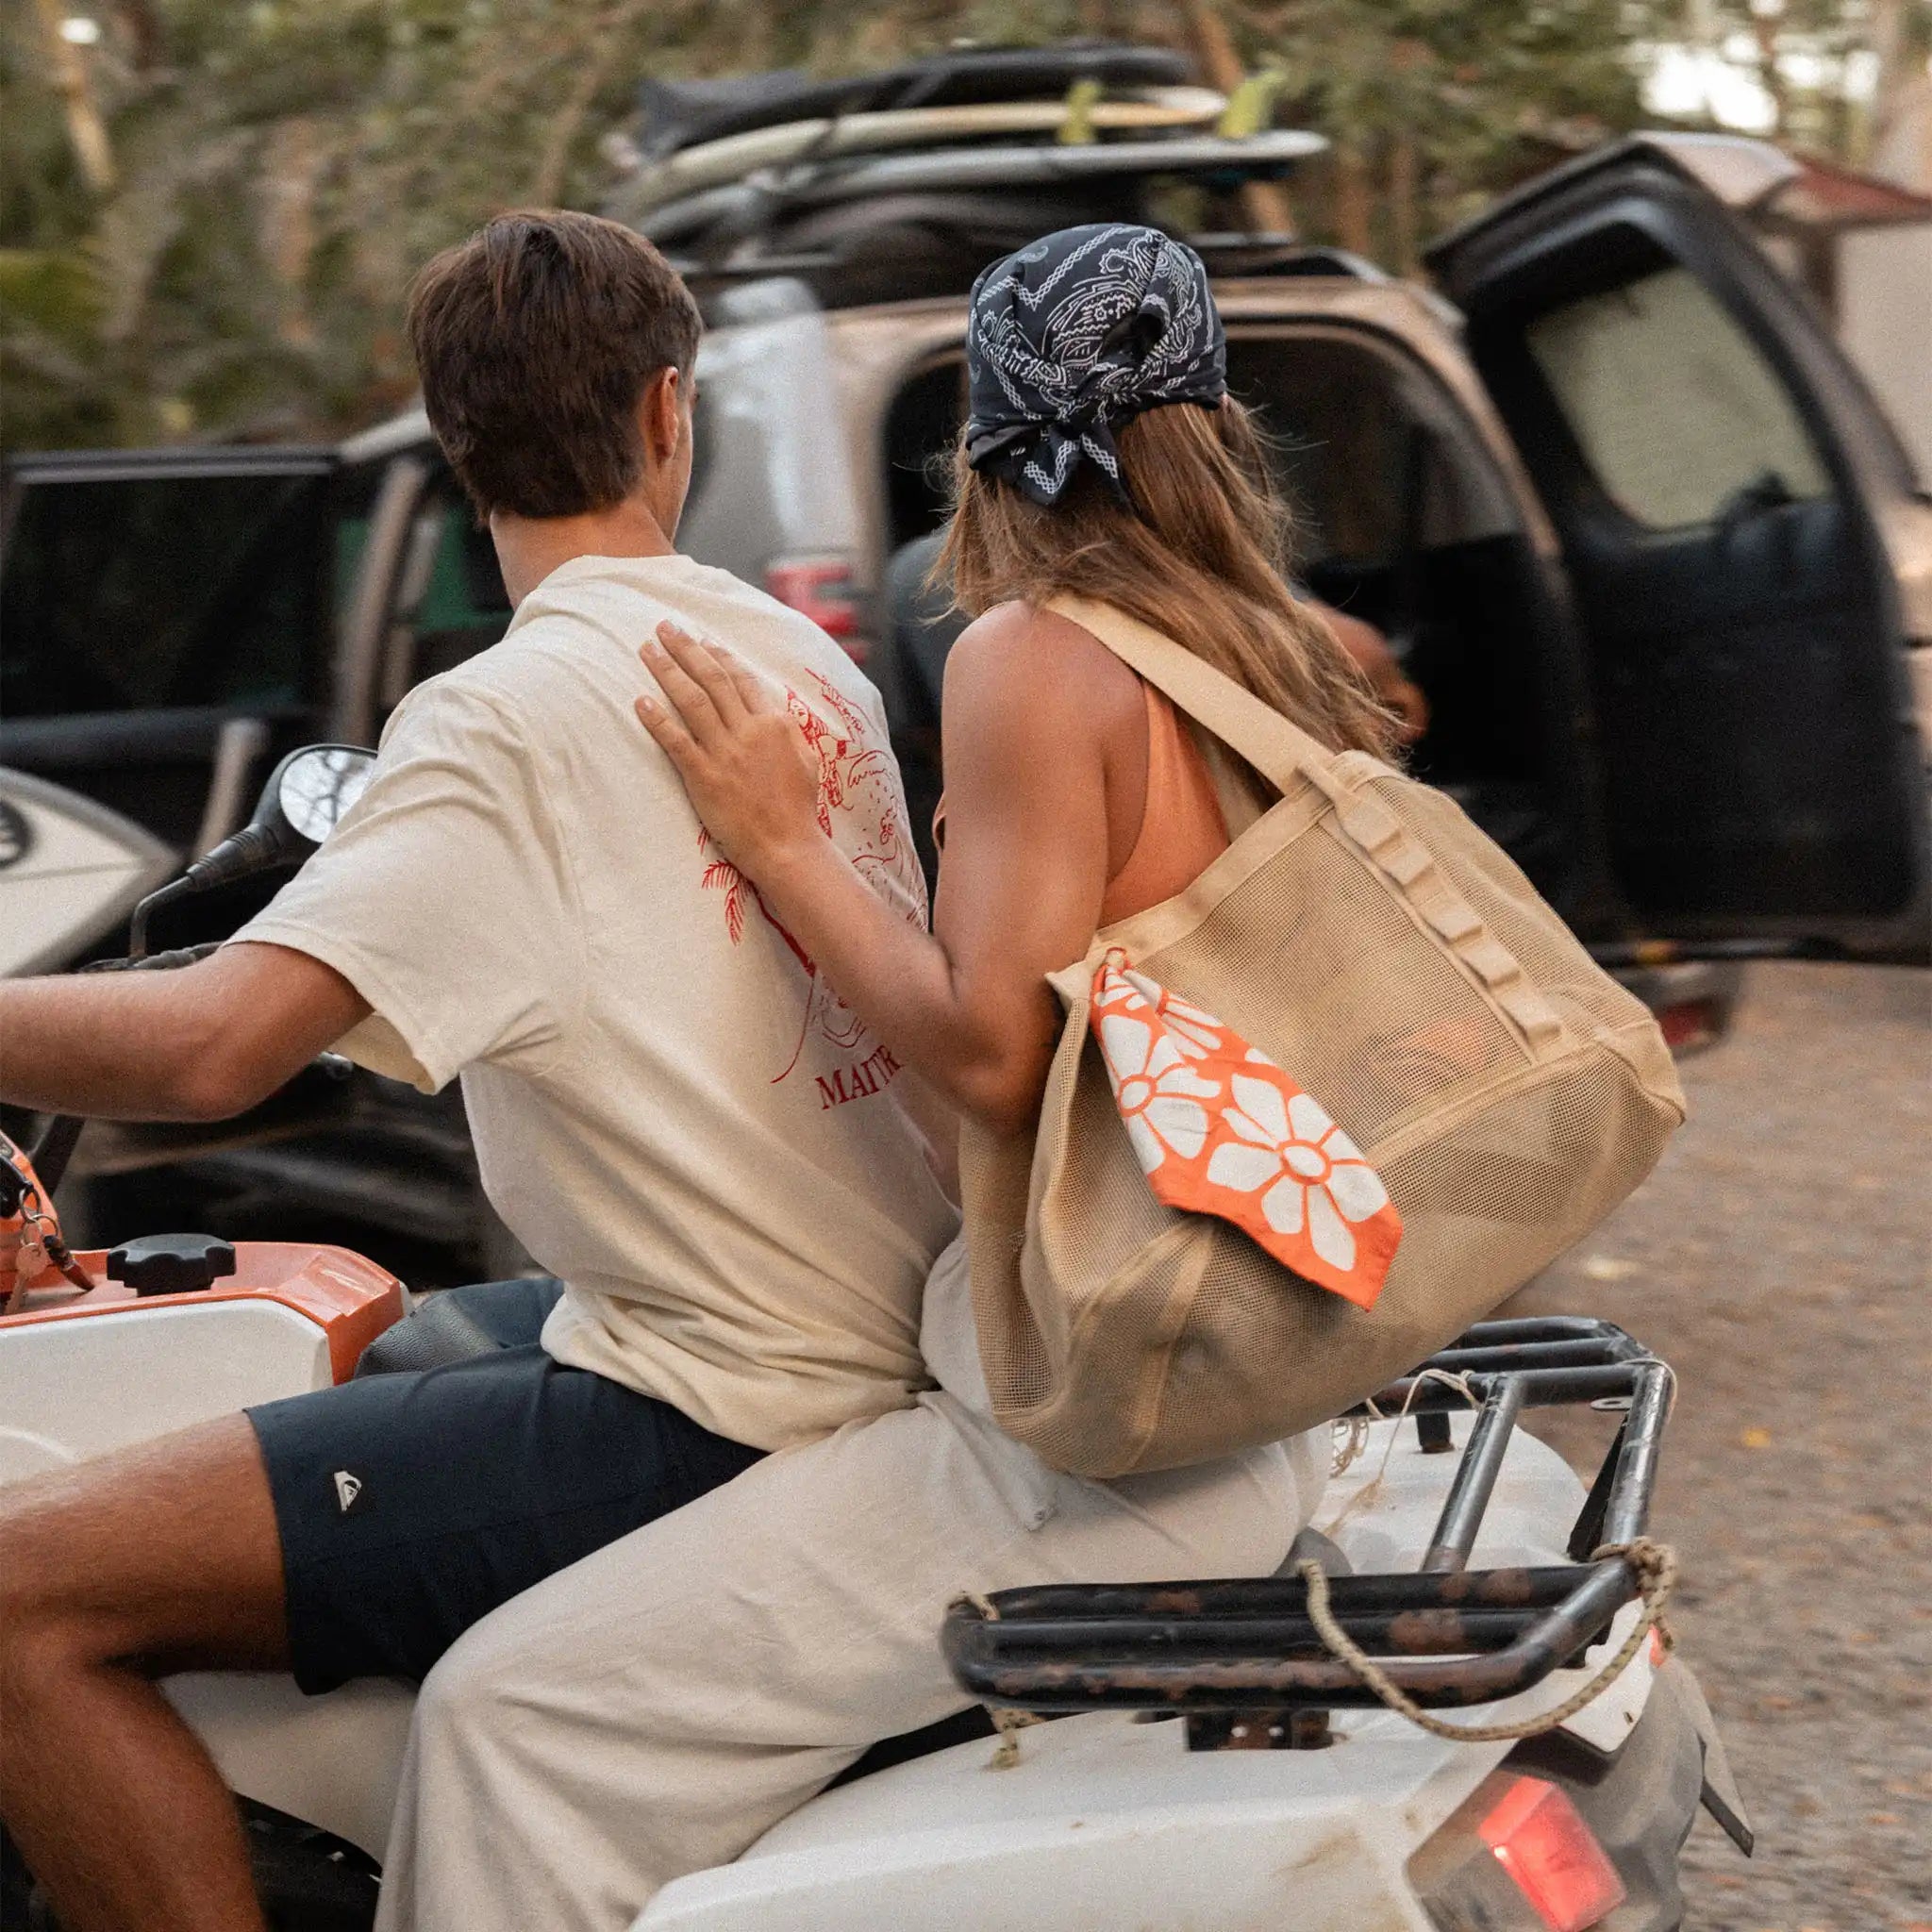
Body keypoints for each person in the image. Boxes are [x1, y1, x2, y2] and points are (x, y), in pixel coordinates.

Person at [372, 223, 1398, 1931]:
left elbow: (996, 1065)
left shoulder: (1032, 659)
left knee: (510, 1714)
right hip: (1235, 1367)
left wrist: (782, 846)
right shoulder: (1281, 656)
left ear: (988, 438)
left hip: (1076, 1428)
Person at [0, 210, 957, 1932]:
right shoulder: (791, 656)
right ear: (674, 414)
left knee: (13, 1598)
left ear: (455, 446)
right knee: (420, 1336)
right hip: (878, 1331)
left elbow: (219, 1044)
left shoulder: (505, 718)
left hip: (718, 1403)